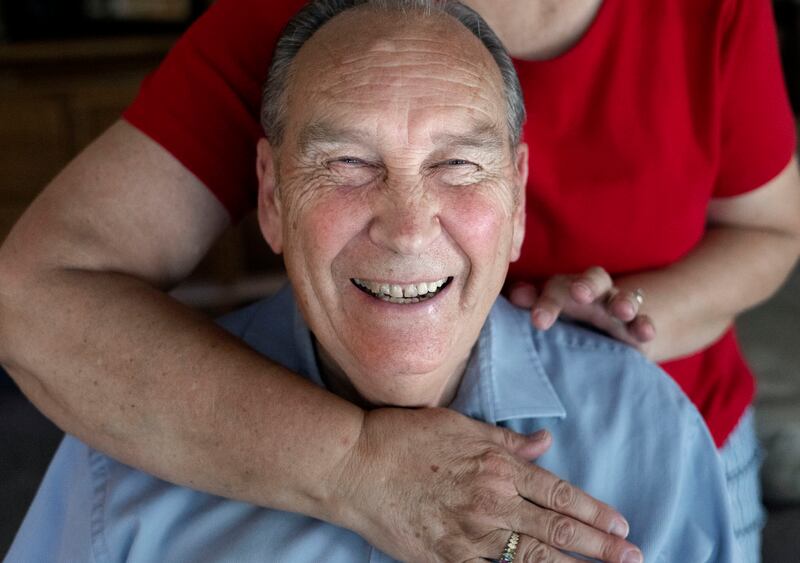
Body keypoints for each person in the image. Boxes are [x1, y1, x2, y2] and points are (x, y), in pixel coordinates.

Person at [0, 0, 797, 560]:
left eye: (459, 163)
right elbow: (34, 291)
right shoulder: (285, 16)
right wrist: (351, 464)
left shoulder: (708, 8)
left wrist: (632, 318)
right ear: (271, 194)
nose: (410, 224)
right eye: (349, 162)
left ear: (517, 192)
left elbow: (773, 227)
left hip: (650, 424)